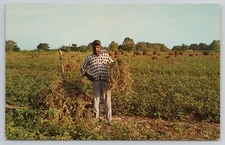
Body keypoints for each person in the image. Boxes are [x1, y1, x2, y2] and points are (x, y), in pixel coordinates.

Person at [81, 40, 114, 121]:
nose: (96, 49)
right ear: (92, 47)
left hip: (106, 81)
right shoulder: (89, 58)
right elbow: (82, 68)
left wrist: (117, 65)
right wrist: (88, 76)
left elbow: (113, 65)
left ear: (100, 47)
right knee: (96, 100)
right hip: (95, 81)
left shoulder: (106, 56)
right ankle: (96, 119)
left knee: (107, 101)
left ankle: (109, 119)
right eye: (95, 47)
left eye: (98, 47)